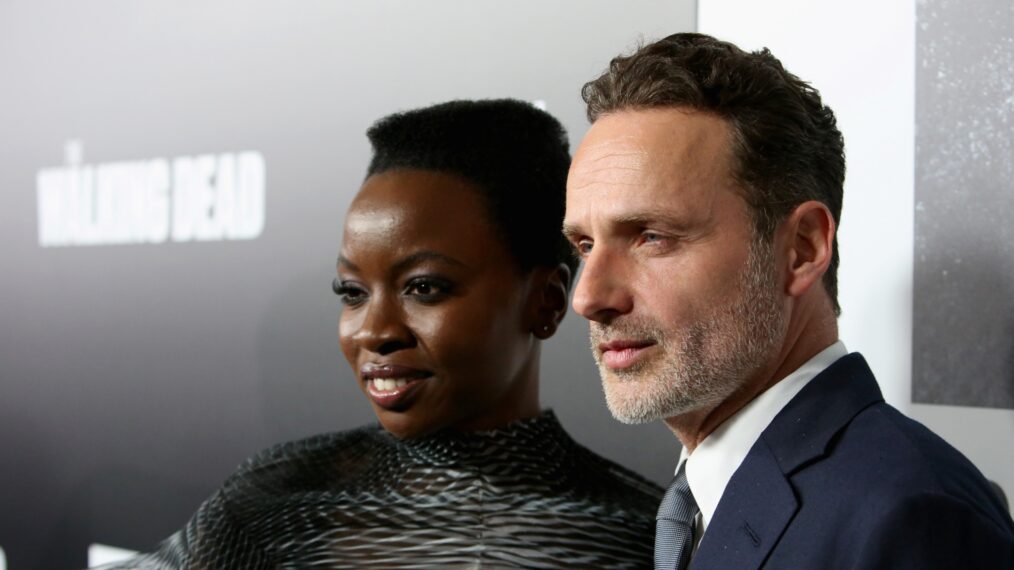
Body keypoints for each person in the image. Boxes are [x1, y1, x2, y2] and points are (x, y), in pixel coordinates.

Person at [97, 99, 662, 569]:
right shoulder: (275, 496)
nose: (375, 331)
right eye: (352, 293)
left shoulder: (646, 537)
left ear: (547, 301)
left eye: (424, 288)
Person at [562, 33, 1014, 569]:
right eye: (585, 246)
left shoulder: (909, 518)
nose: (589, 296)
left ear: (801, 249)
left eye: (651, 236)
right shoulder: (710, 495)